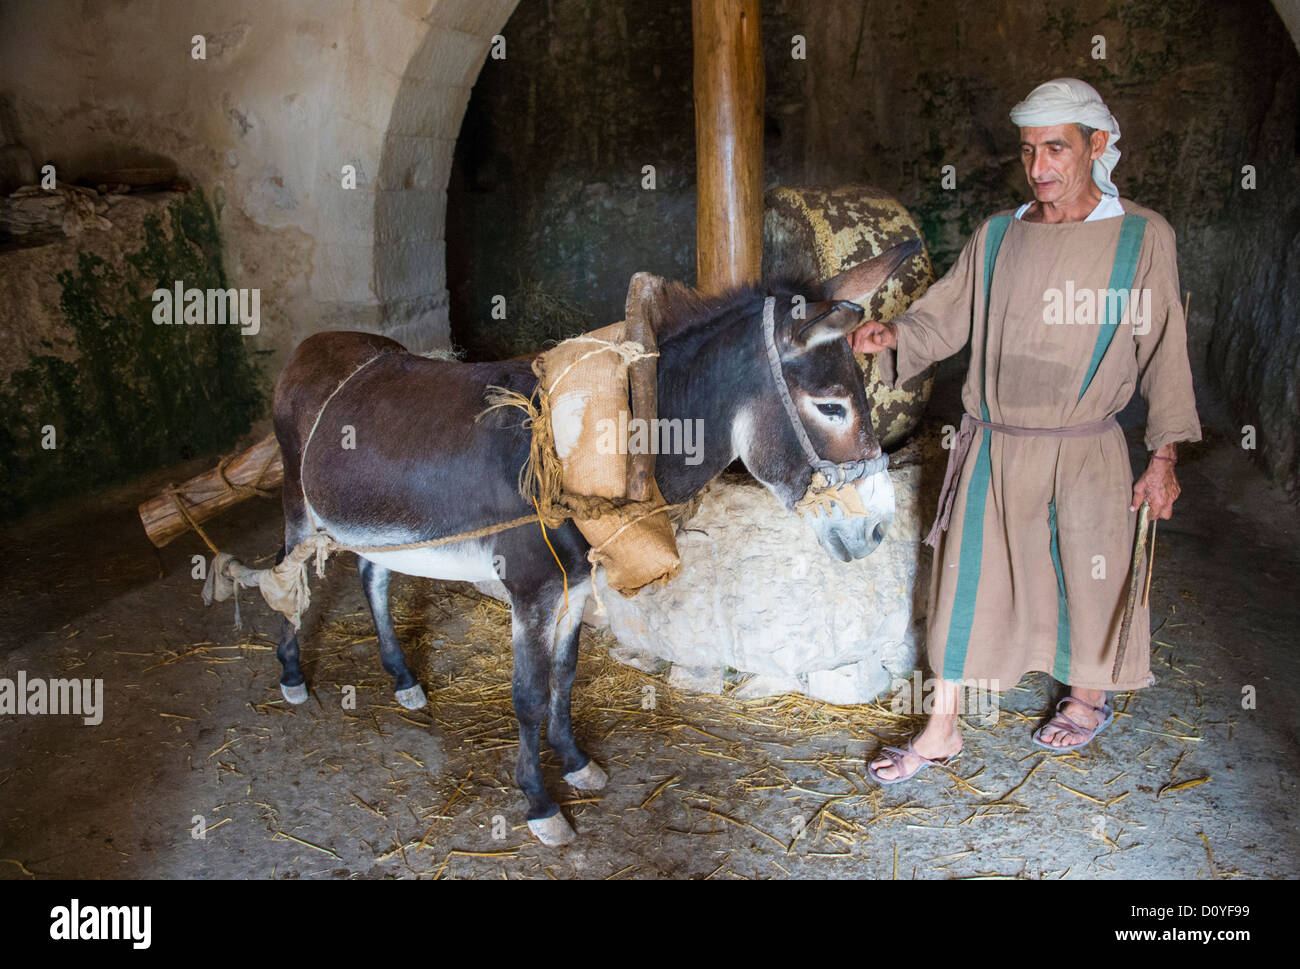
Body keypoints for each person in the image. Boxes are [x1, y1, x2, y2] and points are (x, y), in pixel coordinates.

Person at [850, 78, 1202, 781]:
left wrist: (1163, 457)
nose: (1039, 166)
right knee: (965, 580)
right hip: (994, 442)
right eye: (1028, 150)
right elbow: (944, 314)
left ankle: (1087, 698)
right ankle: (941, 728)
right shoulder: (998, 235)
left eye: (1056, 149)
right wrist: (895, 336)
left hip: (1084, 443)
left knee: (1087, 573)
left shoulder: (1141, 237)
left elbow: (1164, 346)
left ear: (1097, 145)